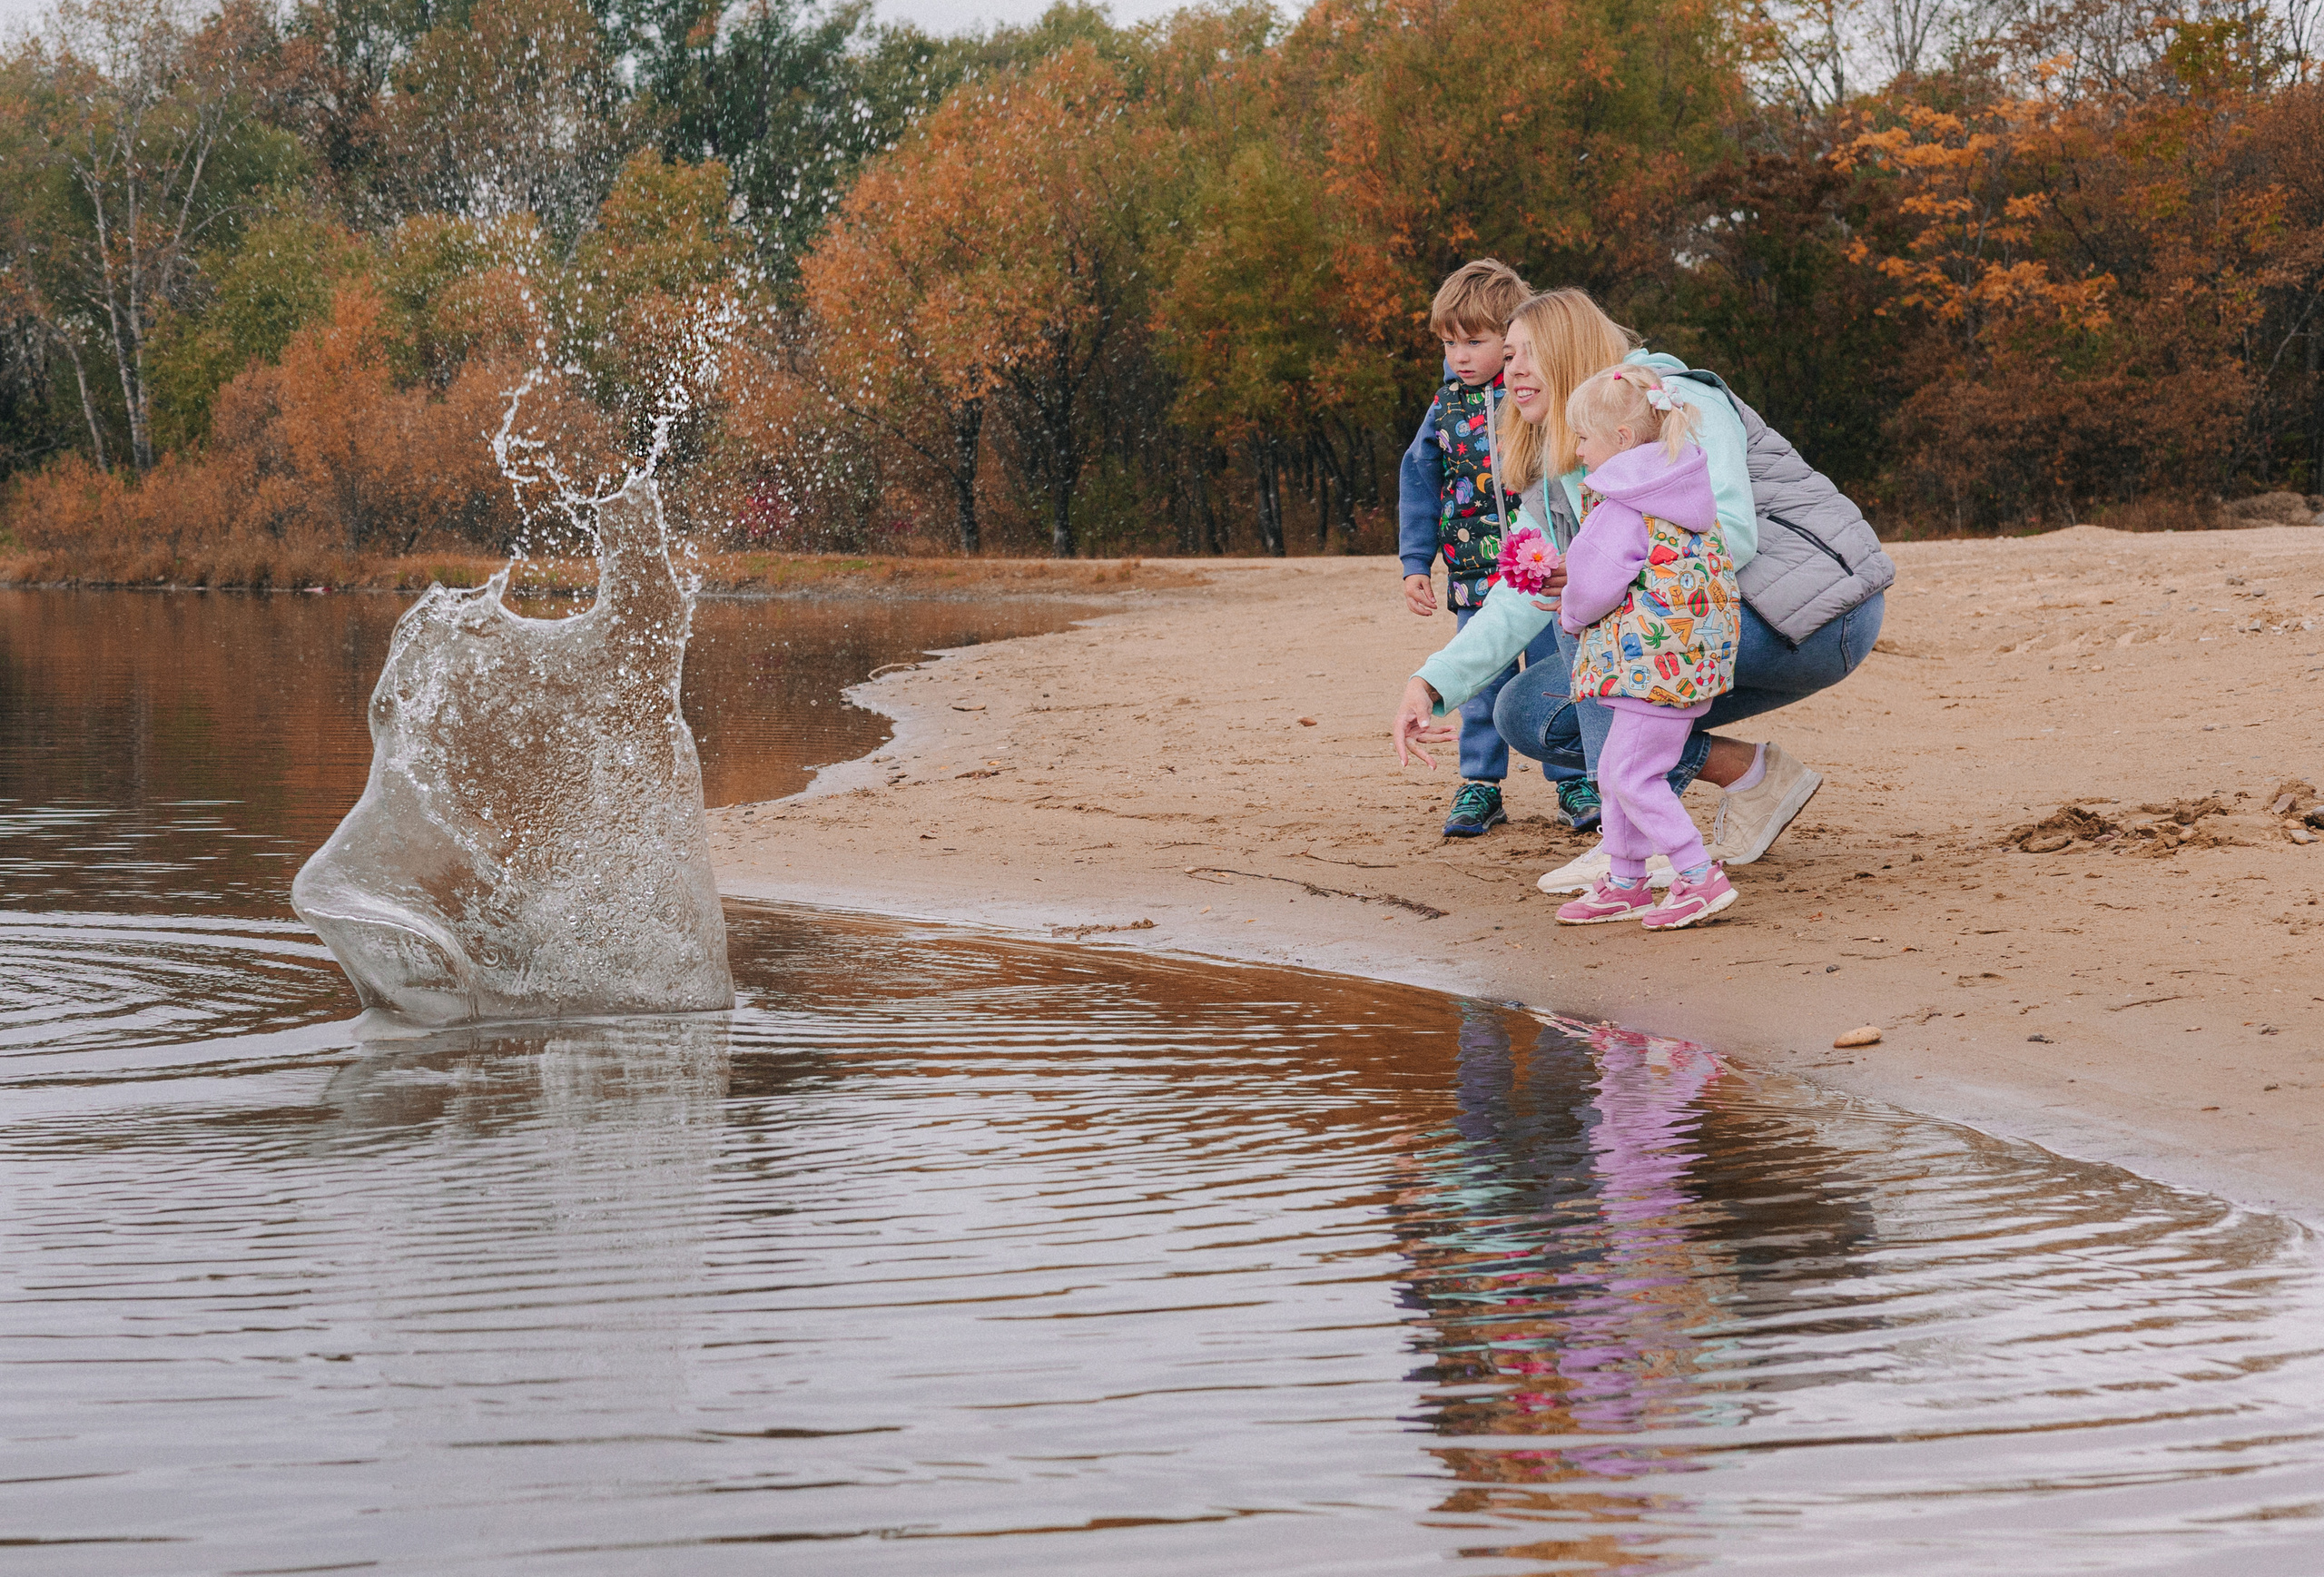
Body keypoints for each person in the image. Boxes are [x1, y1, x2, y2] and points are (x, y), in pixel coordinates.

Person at [1391, 288, 1891, 888]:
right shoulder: (1564, 462)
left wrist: (1593, 569)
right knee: (1527, 713)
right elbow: (1523, 591)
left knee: (1589, 609)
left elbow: (1730, 534)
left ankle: (1629, 839)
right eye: (1511, 354)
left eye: (1530, 352)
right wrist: (1429, 683)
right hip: (1700, 624)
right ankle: (1753, 776)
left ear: (1572, 353)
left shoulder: (1673, 400)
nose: (1512, 368)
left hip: (1820, 613)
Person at [1396, 260, 1595, 840]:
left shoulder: (1538, 402)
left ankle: (1574, 779)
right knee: (1481, 684)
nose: (1460, 355)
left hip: (1550, 570)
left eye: (1476, 341)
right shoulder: (1444, 410)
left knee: (1561, 674)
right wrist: (1415, 562)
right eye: (1448, 342)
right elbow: (1418, 486)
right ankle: (1480, 785)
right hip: (1474, 573)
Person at [1545, 365, 1740, 929]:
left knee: (1631, 776)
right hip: (1685, 663)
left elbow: (1591, 584)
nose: (1577, 450)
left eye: (1583, 437)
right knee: (1617, 769)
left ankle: (1698, 875)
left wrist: (1572, 612)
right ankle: (1626, 878)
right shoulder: (1681, 495)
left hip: (1646, 666)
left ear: (1623, 440)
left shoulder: (1621, 507)